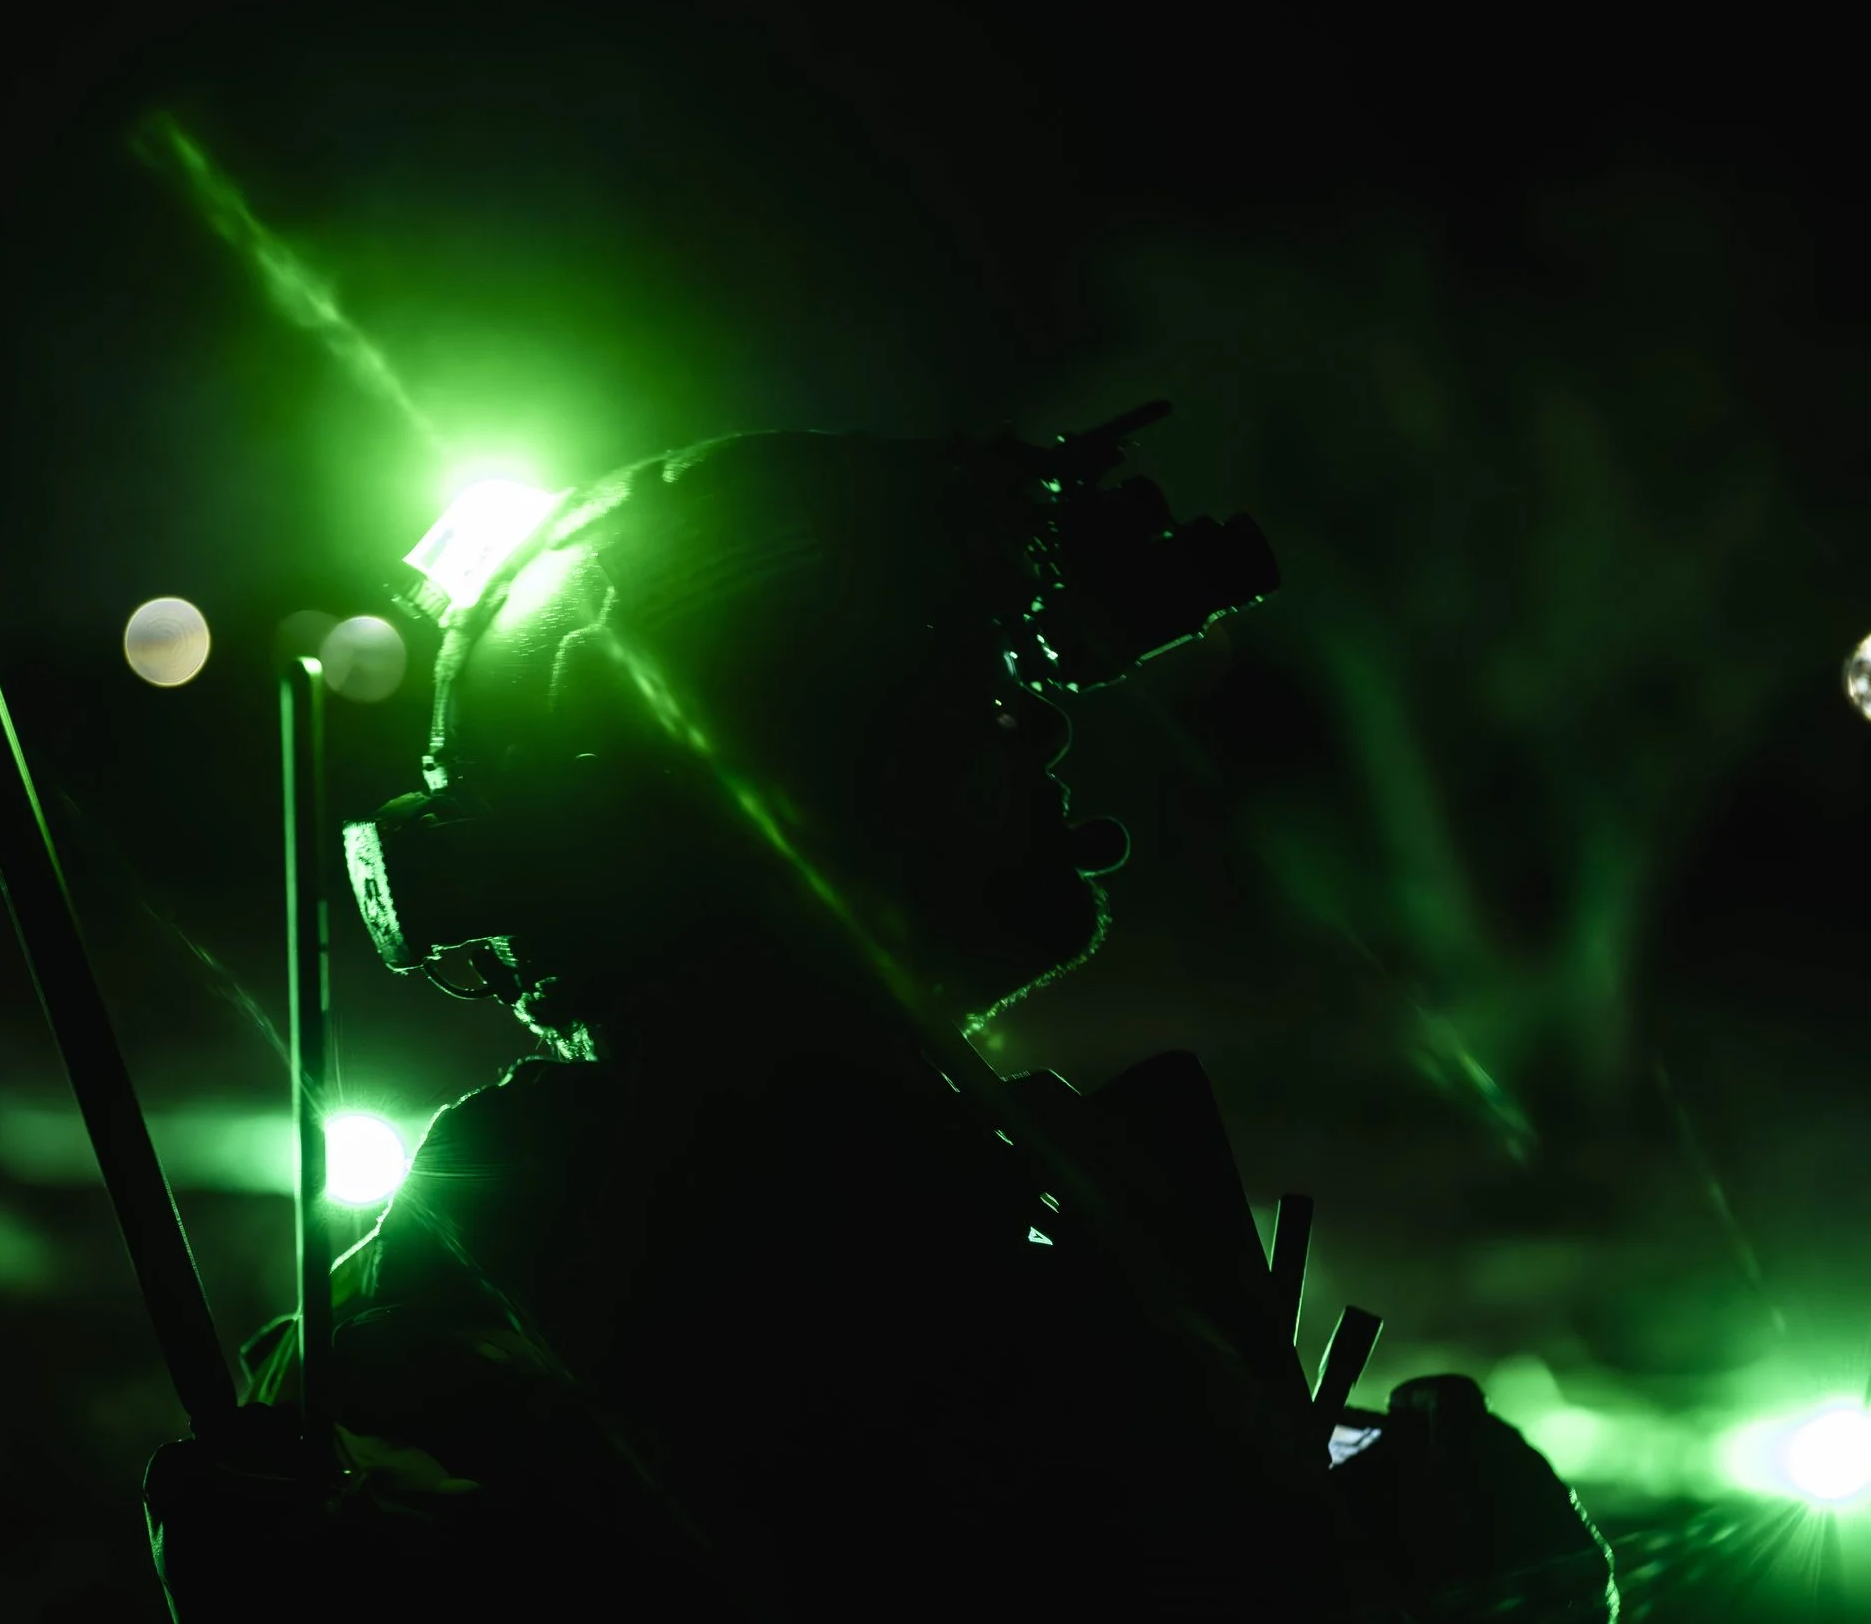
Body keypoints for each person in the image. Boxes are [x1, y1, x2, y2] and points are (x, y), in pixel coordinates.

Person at [141, 423, 1618, 1620]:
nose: (1041, 729)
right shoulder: (722, 1252)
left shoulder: (759, 1198)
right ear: (803, 790)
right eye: (970, 692)